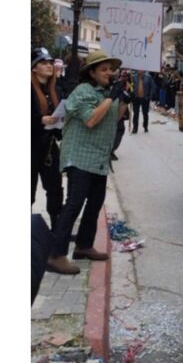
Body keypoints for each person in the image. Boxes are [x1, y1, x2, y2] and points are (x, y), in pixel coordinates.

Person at [48, 50, 125, 275]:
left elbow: (114, 117)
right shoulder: (83, 91)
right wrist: (111, 98)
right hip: (80, 156)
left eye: (111, 69)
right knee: (74, 204)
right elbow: (91, 120)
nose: (109, 73)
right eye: (104, 69)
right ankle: (56, 255)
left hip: (99, 158)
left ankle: (83, 246)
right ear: (91, 72)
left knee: (95, 203)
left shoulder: (105, 92)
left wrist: (122, 100)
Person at [31, 47, 64, 229]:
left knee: (55, 189)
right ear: (33, 67)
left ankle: (56, 232)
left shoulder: (53, 89)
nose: (49, 65)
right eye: (43, 62)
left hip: (49, 146)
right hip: (30, 146)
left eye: (50, 62)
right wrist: (39, 120)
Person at [111, 70, 131, 160]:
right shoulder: (117, 84)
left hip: (121, 111)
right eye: (123, 76)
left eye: (126, 76)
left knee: (120, 130)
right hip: (114, 110)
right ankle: (110, 151)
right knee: (117, 130)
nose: (124, 78)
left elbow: (130, 97)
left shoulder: (128, 85)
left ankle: (111, 150)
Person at [131, 69, 154, 133]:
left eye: (141, 69)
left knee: (145, 113)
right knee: (135, 114)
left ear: (143, 70)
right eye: (138, 69)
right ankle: (135, 128)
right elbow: (131, 86)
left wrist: (150, 96)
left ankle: (145, 126)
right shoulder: (133, 77)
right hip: (136, 98)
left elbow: (152, 87)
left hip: (145, 98)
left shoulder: (148, 77)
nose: (139, 70)